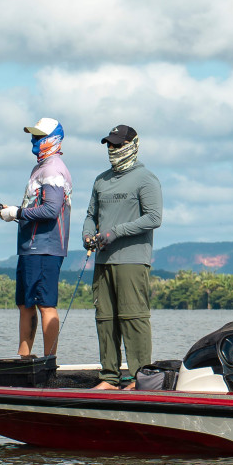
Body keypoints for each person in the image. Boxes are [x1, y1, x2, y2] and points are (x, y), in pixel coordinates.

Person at [81, 124, 163, 390]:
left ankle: (141, 378)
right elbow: (90, 215)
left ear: (132, 145)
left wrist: (116, 232)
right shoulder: (100, 180)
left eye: (117, 145)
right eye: (109, 145)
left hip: (132, 259)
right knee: (105, 319)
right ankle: (109, 377)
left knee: (133, 318)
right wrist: (87, 234)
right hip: (103, 261)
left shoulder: (145, 178)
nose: (112, 150)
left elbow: (153, 218)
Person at [0, 118, 73, 360]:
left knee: (45, 305)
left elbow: (51, 210)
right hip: (30, 247)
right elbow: (37, 206)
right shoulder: (40, 167)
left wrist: (17, 213)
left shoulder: (52, 169)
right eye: (34, 136)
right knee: (25, 304)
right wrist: (13, 210)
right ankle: (24, 359)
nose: (35, 141)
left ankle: (49, 362)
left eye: (40, 137)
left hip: (44, 248)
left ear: (53, 139)